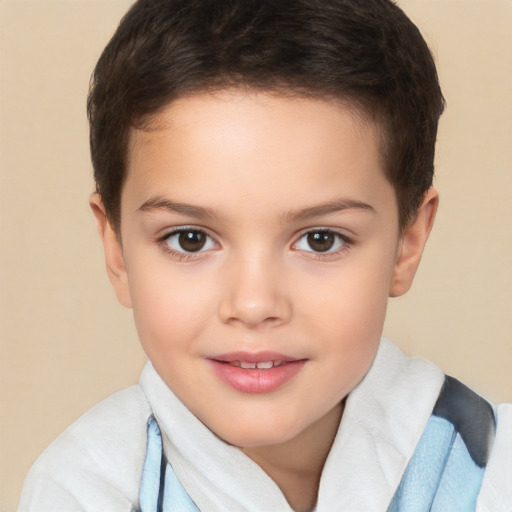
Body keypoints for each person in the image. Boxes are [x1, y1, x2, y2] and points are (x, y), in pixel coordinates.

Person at [17, 0, 511, 511]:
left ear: (408, 242)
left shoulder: (492, 469)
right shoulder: (85, 490)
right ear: (117, 250)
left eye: (321, 239)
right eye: (190, 239)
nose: (253, 305)